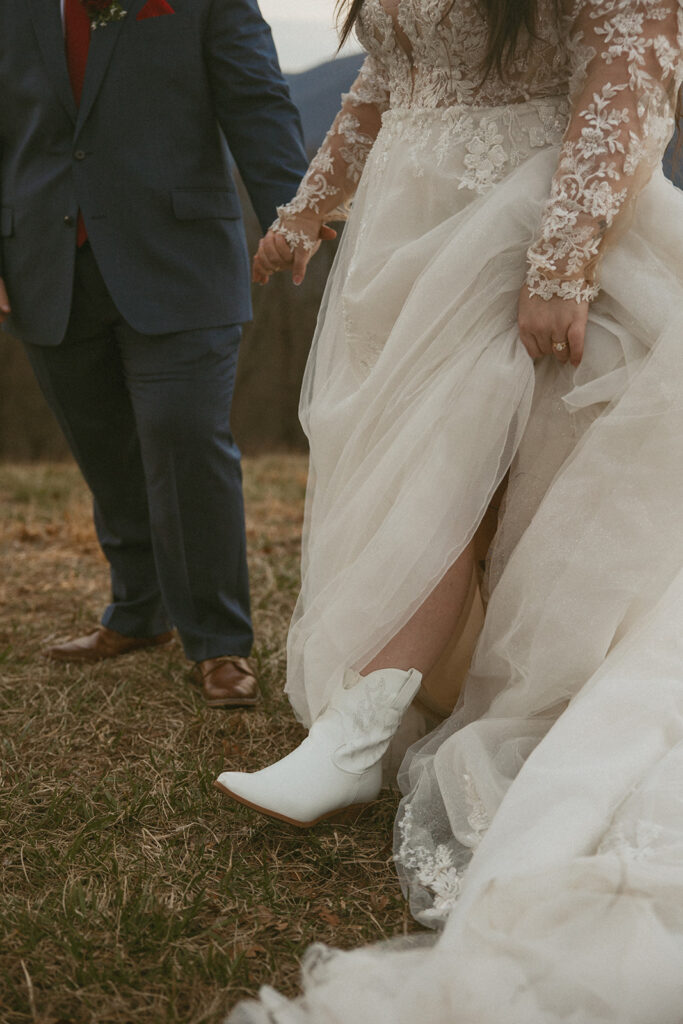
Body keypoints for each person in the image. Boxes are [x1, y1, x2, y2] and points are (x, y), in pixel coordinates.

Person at [218, 0, 683, 1020]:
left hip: (526, 214)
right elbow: (387, 76)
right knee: (416, 455)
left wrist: (561, 255)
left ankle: (358, 724)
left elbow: (629, 57)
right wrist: (309, 210)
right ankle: (411, 687)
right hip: (410, 224)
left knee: (459, 441)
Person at [0, 0, 309, 706]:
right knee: (104, 446)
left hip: (181, 258)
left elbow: (257, 99)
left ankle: (220, 642)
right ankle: (139, 612)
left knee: (183, 435)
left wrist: (294, 217)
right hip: (44, 260)